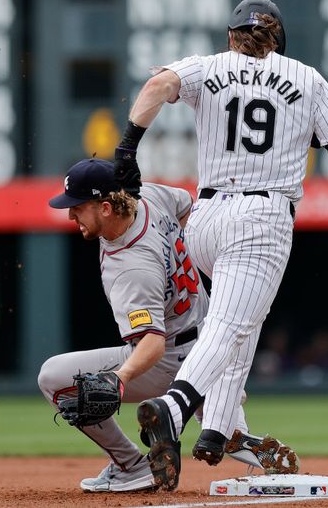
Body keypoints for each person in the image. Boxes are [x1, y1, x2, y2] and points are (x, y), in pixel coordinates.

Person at [111, 0, 328, 490]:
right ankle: (175, 408)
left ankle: (219, 429)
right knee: (232, 322)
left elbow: (157, 86)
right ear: (277, 39)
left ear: (231, 35)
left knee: (239, 318)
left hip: (206, 217)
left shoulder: (207, 67)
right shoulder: (304, 77)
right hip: (262, 215)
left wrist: (127, 147)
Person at [37, 158, 299, 493]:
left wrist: (119, 379)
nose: (71, 215)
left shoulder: (129, 268)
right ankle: (221, 419)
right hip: (211, 343)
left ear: (105, 207)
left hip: (169, 359)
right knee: (216, 420)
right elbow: (189, 206)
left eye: (77, 207)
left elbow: (151, 343)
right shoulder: (147, 197)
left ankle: (131, 466)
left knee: (53, 378)